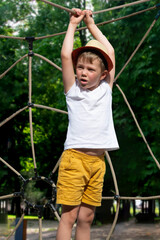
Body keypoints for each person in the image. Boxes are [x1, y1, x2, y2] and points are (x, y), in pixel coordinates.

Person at [56, 8, 119, 240]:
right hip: (75, 160)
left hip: (97, 163)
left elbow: (110, 51)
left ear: (103, 75)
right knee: (69, 216)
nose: (83, 72)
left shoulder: (106, 90)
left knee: (86, 218)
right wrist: (73, 25)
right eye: (80, 67)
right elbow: (65, 56)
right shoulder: (73, 91)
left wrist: (91, 24)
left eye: (91, 69)